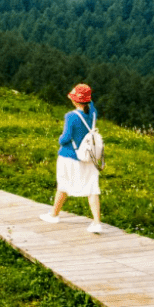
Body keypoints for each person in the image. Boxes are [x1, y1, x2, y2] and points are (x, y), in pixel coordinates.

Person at [40, 83, 103, 233]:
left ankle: (54, 215)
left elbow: (65, 138)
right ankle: (96, 222)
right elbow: (90, 104)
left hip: (70, 156)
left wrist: (59, 139)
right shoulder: (93, 113)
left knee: (63, 185)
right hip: (89, 157)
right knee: (92, 189)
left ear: (74, 100)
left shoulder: (71, 116)